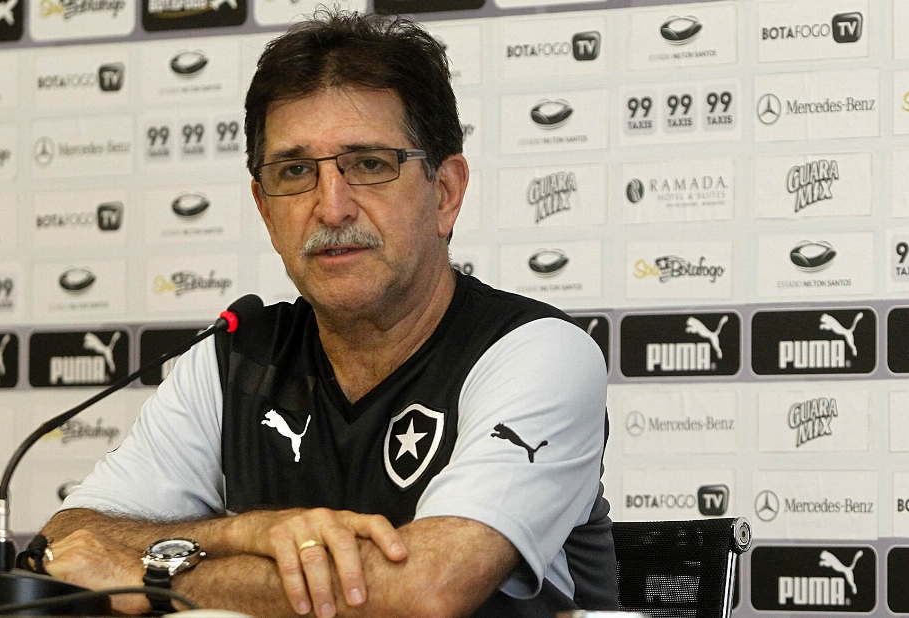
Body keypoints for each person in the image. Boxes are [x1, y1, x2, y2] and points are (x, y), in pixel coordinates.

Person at [37, 10, 617, 618]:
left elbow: (425, 590)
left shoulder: (536, 352)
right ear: (265, 210)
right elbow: (64, 544)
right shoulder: (234, 359)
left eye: (369, 164)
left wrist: (145, 576)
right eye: (295, 172)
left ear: (445, 192)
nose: (331, 207)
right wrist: (242, 532)